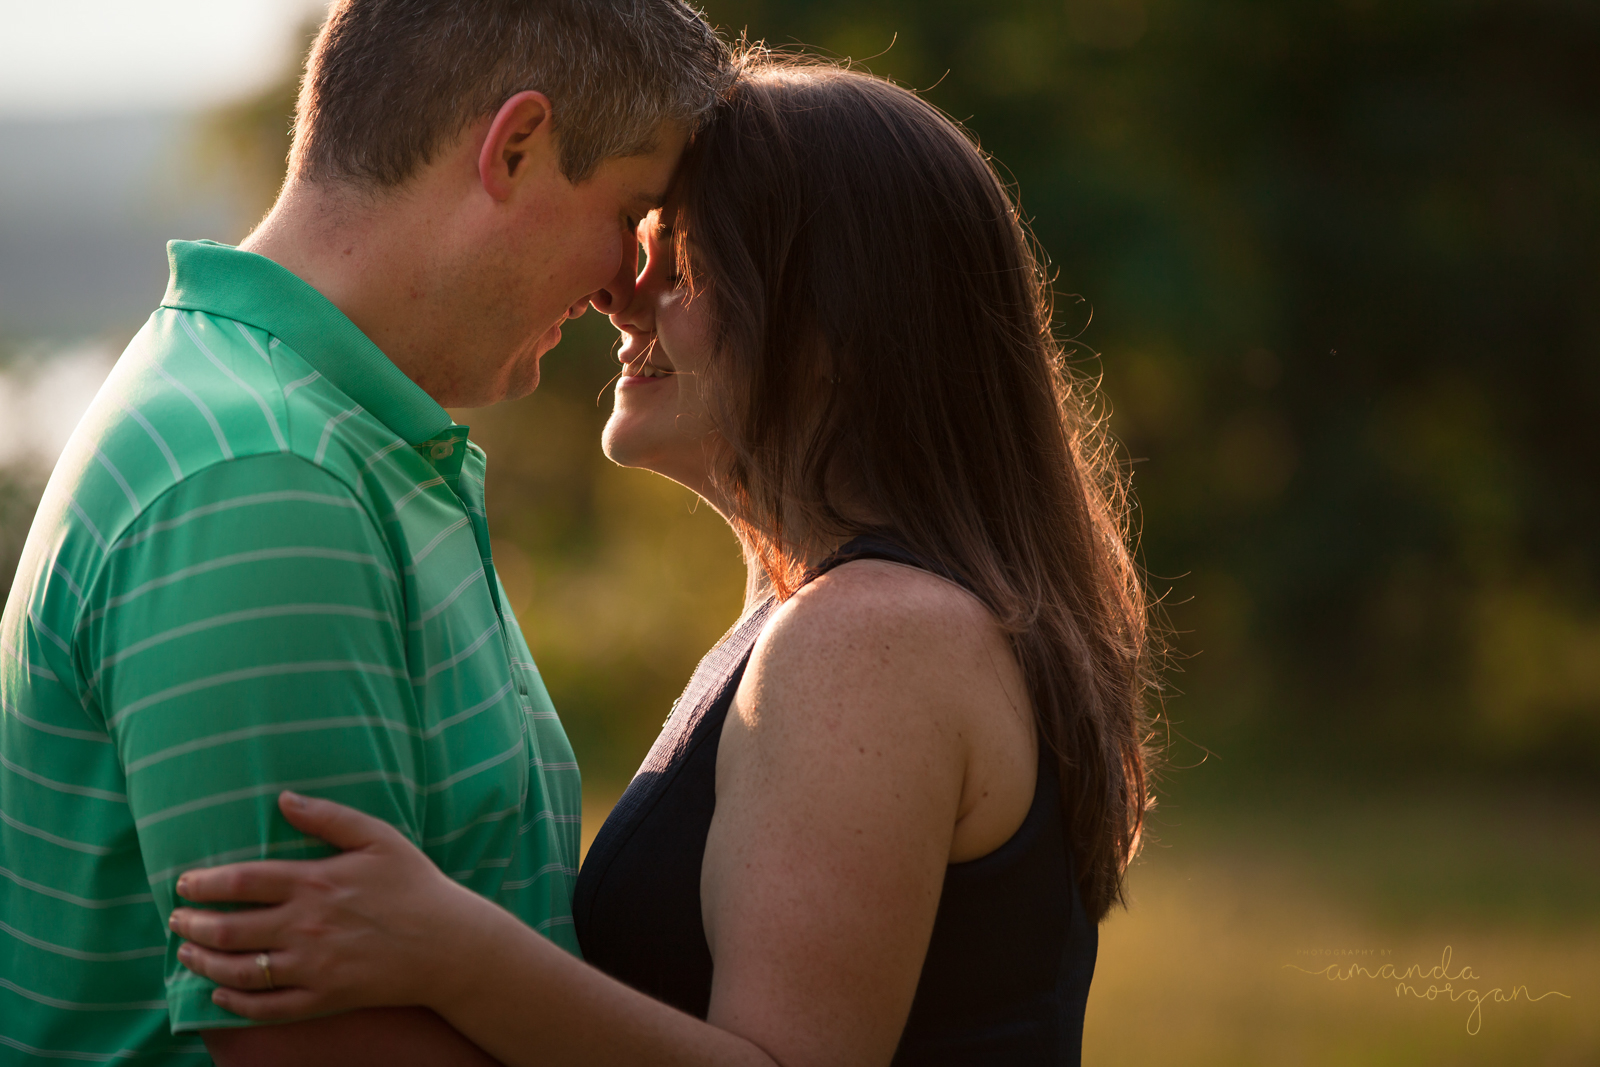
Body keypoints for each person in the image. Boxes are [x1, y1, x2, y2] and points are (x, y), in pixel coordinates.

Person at [167, 52, 1156, 1067]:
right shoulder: (840, 614)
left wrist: (452, 951)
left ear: (830, 318)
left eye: (679, 265)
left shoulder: (870, 636)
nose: (622, 301)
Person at [0, 2, 727, 1064]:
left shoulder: (313, 437)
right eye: (631, 209)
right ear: (514, 148)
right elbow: (315, 1043)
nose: (629, 282)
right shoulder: (262, 476)